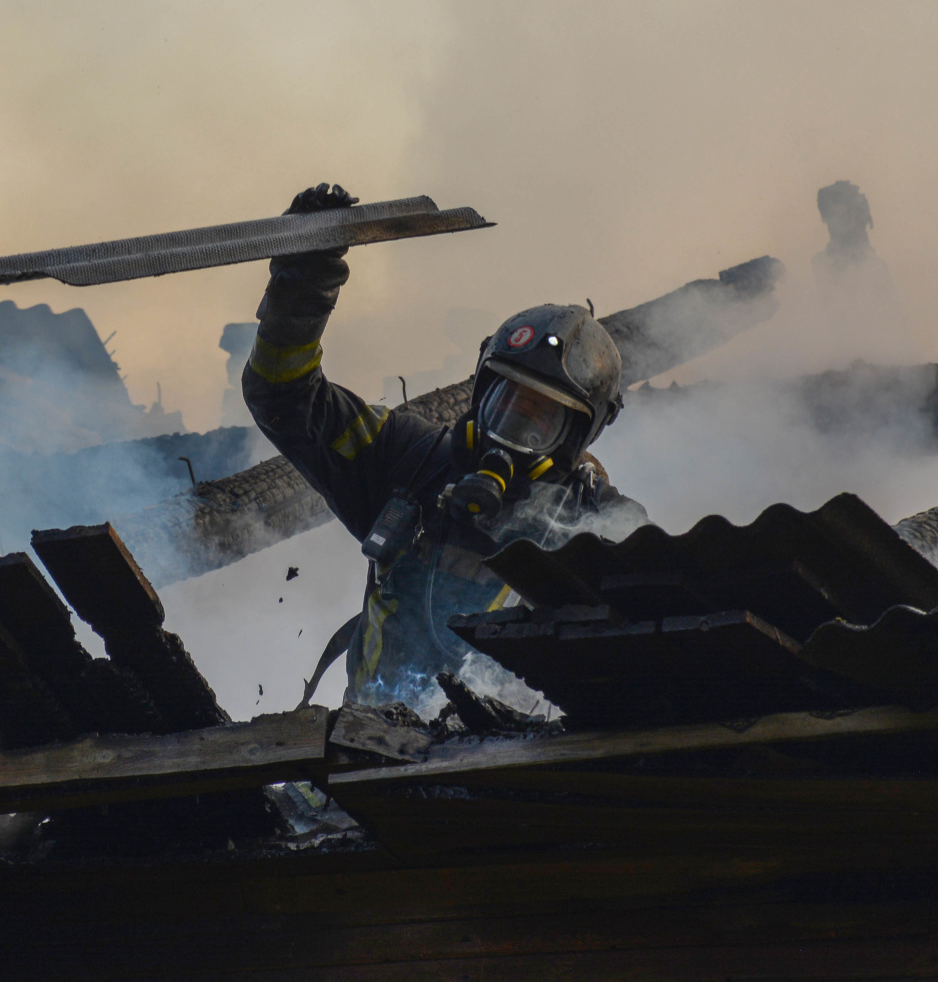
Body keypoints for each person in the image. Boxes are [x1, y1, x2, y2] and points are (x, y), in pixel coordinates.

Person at [243, 183, 648, 708]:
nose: (510, 434)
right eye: (503, 405)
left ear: (575, 438)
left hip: (501, 769)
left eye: (538, 422)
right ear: (480, 391)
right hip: (364, 753)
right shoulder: (404, 458)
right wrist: (306, 279)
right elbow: (284, 397)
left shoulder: (601, 531)